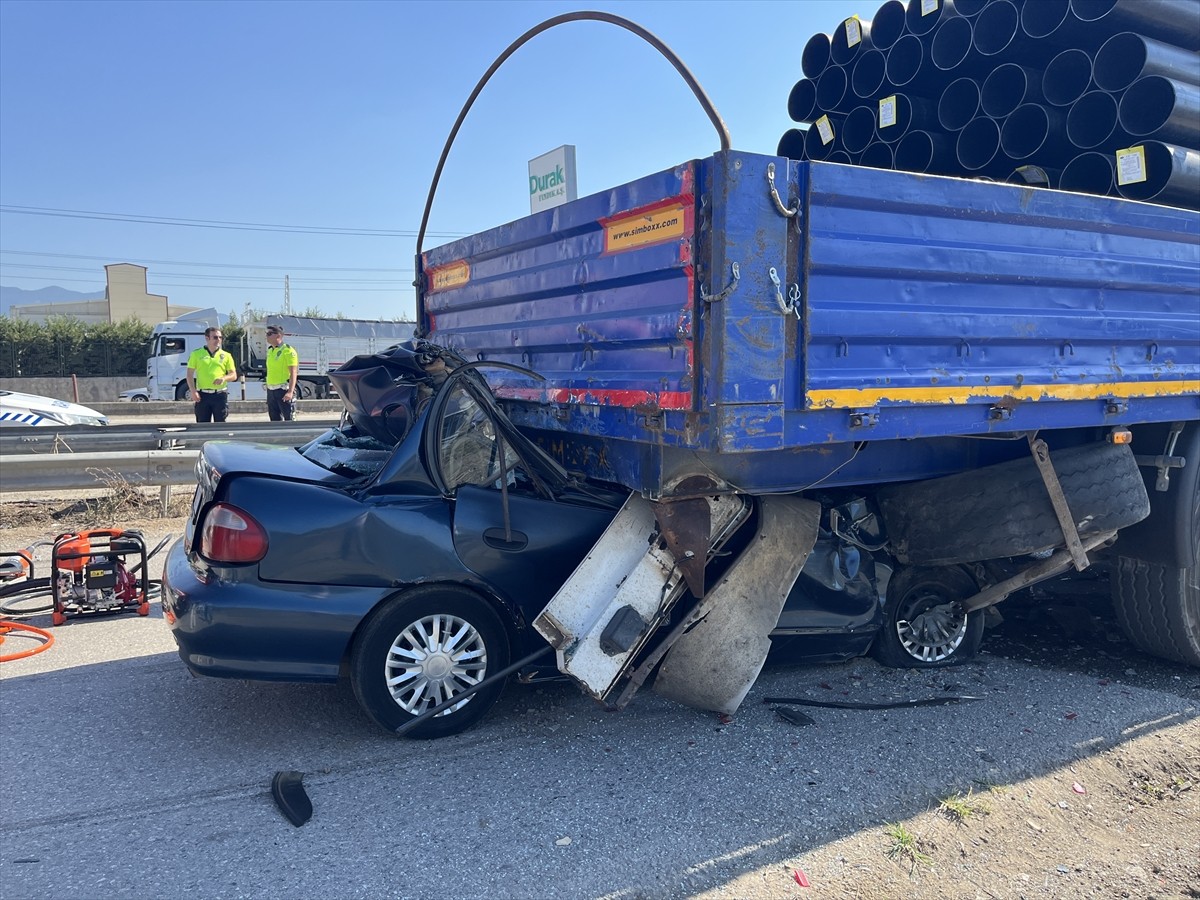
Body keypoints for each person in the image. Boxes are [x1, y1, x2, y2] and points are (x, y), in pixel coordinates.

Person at [185, 326, 236, 423]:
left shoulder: (226, 355)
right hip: (202, 395)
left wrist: (224, 378)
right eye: (215, 337)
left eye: (220, 337)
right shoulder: (196, 354)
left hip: (220, 395)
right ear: (207, 338)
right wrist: (193, 391)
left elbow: (233, 375)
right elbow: (189, 374)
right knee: (202, 425)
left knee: (220, 425)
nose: (218, 340)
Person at [264, 324, 299, 421]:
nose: (267, 336)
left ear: (278, 335)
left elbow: (293, 372)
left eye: (269, 334)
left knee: (289, 420)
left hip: (283, 390)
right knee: (274, 420)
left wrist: (290, 392)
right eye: (266, 334)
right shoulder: (270, 351)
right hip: (271, 391)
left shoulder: (288, 351)